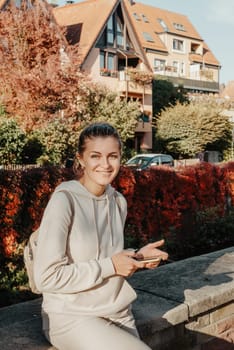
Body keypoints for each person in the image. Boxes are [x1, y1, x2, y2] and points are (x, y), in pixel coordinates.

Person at [34, 122, 168, 350]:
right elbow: (46, 277)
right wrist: (111, 266)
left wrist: (136, 257)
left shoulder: (118, 201)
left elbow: (107, 258)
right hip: (72, 316)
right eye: (95, 156)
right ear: (81, 159)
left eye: (112, 156)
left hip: (117, 311)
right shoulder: (64, 200)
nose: (105, 165)